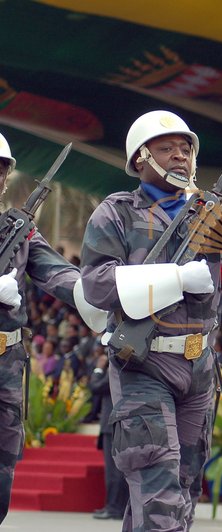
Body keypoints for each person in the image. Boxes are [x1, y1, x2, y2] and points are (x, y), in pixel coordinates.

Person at [80, 110, 222, 530]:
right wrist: (174, 278)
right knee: (158, 486)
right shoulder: (116, 213)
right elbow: (97, 285)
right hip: (144, 363)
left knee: (183, 490)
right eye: (166, 148)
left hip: (199, 366)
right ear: (140, 159)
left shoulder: (207, 215)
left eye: (186, 148)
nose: (180, 157)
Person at [0, 132, 106, 524]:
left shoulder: (18, 231)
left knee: (3, 471)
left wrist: (105, 294)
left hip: (6, 364)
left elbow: (58, 273)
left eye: (0, 169)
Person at [89, 353, 129, 521]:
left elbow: (95, 386)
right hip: (120, 422)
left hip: (111, 424)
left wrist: (99, 367)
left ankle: (114, 507)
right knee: (119, 469)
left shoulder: (117, 368)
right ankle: (118, 507)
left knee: (113, 470)